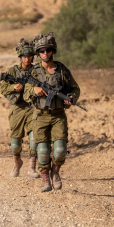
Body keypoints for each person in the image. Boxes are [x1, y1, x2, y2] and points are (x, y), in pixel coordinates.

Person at [24, 32, 81, 192]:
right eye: (42, 51)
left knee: (60, 150)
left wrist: (71, 97)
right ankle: (44, 179)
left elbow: (74, 88)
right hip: (40, 115)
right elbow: (25, 91)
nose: (45, 53)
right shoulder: (34, 72)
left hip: (58, 115)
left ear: (53, 51)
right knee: (42, 151)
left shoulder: (62, 70)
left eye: (48, 50)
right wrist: (34, 90)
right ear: (38, 53)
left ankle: (55, 172)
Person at [0, 39, 39, 178]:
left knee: (34, 139)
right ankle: (17, 162)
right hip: (17, 108)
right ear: (20, 57)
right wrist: (13, 87)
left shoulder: (37, 71)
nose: (27, 59)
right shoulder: (13, 71)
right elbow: (3, 88)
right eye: (24, 57)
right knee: (15, 143)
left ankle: (32, 168)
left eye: (29, 57)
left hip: (33, 107)